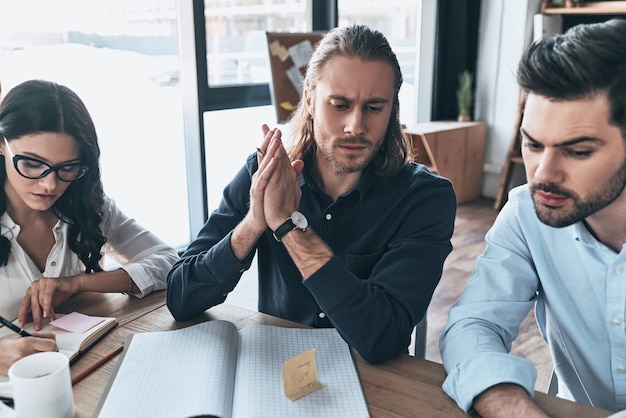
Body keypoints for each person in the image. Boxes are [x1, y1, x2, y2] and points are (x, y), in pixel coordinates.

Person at [166, 24, 456, 364]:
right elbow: (181, 297)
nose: (355, 126)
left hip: (373, 385)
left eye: (374, 108)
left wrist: (290, 227)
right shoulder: (264, 174)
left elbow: (382, 338)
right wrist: (254, 222)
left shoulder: (425, 199)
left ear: (392, 109)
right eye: (339, 104)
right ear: (309, 99)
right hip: (277, 371)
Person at [440, 18, 626, 416]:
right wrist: (509, 405)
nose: (542, 174)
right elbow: (474, 323)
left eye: (578, 151)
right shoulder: (528, 212)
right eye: (533, 144)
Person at [0, 79, 179, 374]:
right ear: (2, 145)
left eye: (67, 167)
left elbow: (169, 262)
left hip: (78, 373)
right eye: (32, 163)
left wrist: (79, 284)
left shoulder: (85, 205)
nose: (50, 184)